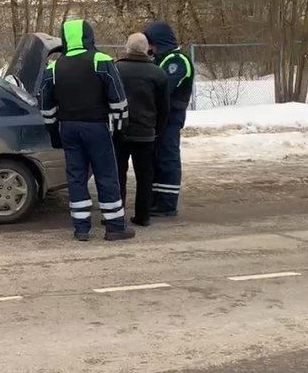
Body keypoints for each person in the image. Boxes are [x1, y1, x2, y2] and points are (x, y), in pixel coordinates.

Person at [40, 19, 134, 241]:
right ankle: (114, 227)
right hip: (97, 127)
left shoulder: (54, 67)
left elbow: (46, 106)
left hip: (68, 129)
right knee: (106, 174)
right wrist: (120, 130)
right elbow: (119, 101)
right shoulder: (101, 61)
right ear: (89, 36)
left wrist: (54, 133)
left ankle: (81, 228)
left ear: (64, 39)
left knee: (76, 176)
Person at [114, 33, 169, 227]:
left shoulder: (116, 69)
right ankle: (143, 215)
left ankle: (116, 214)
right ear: (147, 49)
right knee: (145, 176)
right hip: (146, 133)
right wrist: (156, 130)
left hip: (120, 131)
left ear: (127, 48)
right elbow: (164, 108)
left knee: (118, 174)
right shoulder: (158, 73)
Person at [144, 21, 193, 217]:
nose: (149, 47)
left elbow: (163, 88)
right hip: (159, 118)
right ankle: (157, 199)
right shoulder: (160, 59)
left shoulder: (177, 61)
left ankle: (167, 203)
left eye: (151, 43)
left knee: (167, 158)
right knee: (157, 158)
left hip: (170, 118)